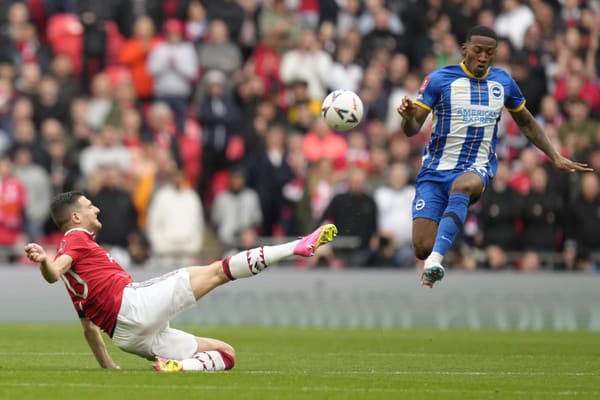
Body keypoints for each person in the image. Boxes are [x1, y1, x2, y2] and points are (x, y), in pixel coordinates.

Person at [24, 191, 338, 372]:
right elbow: (55, 271)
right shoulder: (76, 239)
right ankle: (295, 247)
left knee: (226, 354)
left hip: (128, 338)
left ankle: (177, 368)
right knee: (217, 271)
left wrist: (110, 368)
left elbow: (89, 329)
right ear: (76, 217)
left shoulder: (77, 270)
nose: (96, 207)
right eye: (89, 205)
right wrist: (46, 262)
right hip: (133, 307)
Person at [397, 25, 592, 288]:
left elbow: (527, 122)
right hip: (434, 172)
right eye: (478, 50)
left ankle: (435, 262)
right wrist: (408, 117)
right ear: (464, 49)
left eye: (490, 52)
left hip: (475, 168)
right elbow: (411, 130)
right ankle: (435, 253)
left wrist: (554, 156)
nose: (483, 57)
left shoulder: (503, 82)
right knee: (421, 246)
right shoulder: (440, 80)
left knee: (464, 186)